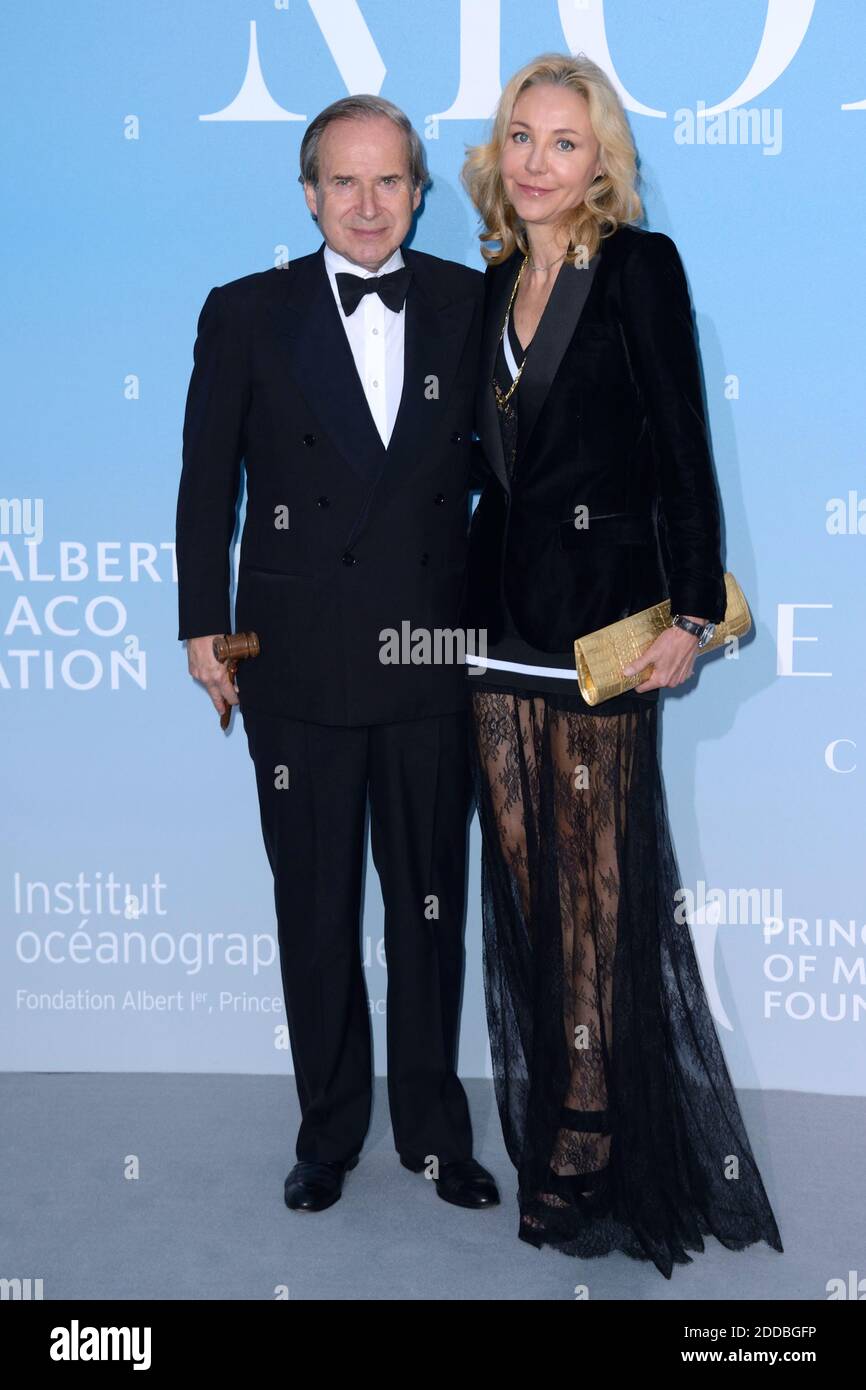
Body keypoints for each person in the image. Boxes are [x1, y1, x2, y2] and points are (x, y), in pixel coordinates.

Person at [460, 53, 783, 1277]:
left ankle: (591, 1133)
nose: (539, 162)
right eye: (522, 138)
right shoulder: (488, 282)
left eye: (565, 142)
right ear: (499, 153)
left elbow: (681, 448)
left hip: (602, 631)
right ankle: (557, 1107)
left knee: (596, 898)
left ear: (601, 162)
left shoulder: (637, 269)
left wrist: (690, 615)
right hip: (494, 633)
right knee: (530, 892)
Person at [176, 95, 498, 1215]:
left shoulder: (471, 304)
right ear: (308, 193)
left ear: (419, 192)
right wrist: (197, 621)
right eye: (344, 183)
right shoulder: (245, 313)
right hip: (295, 659)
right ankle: (327, 1134)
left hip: (432, 649)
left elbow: (510, 482)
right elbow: (205, 486)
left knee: (427, 909)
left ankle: (434, 1134)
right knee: (313, 909)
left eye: (390, 182)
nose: (368, 206)